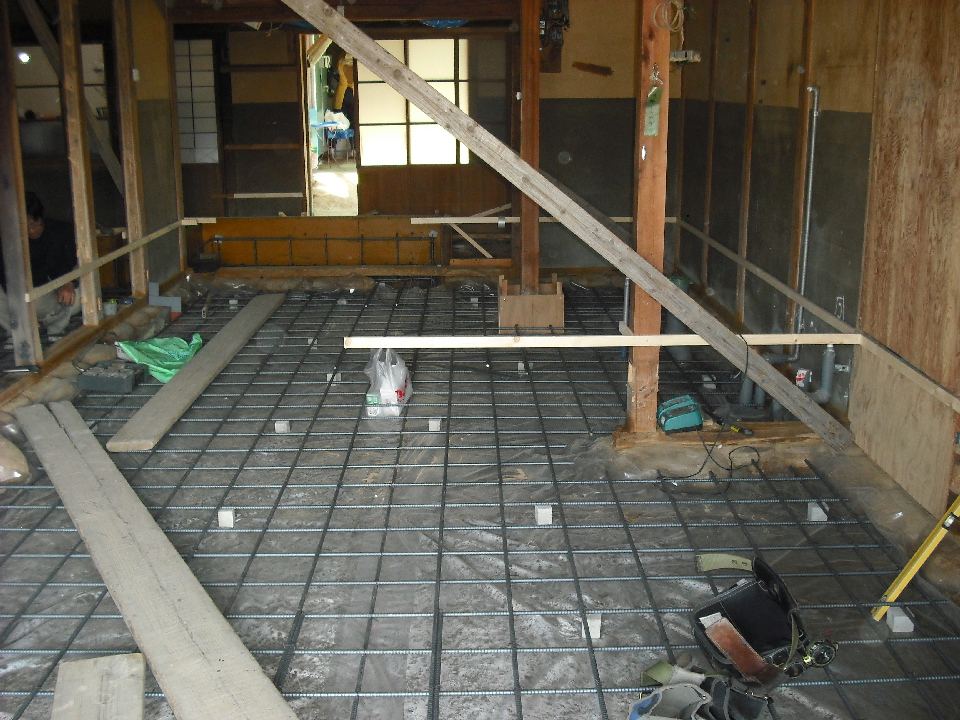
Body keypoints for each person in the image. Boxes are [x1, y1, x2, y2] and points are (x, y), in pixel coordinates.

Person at [0, 191, 82, 342]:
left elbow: (78, 262)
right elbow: (6, 279)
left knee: (81, 293)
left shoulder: (61, 231)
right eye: (25, 227)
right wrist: (23, 312)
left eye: (34, 225)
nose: (31, 231)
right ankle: (19, 334)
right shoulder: (10, 240)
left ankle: (55, 332)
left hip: (55, 292)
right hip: (28, 296)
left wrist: (70, 282)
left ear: (41, 217)